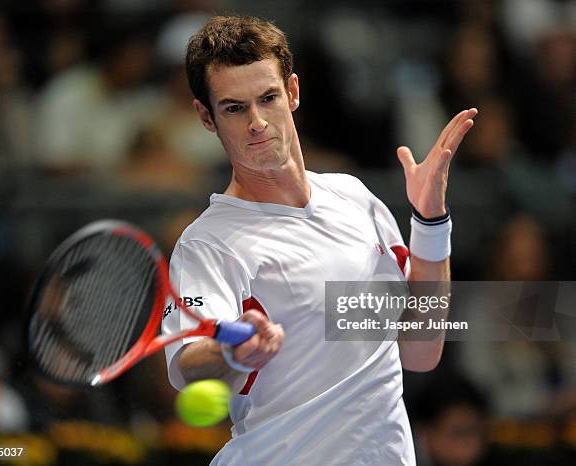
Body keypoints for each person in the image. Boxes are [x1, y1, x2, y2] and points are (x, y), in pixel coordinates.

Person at [162, 15, 477, 465]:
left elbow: (421, 349)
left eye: (267, 98)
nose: (256, 122)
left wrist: (430, 223)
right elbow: (189, 363)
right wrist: (230, 348)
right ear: (206, 117)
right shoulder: (208, 245)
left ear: (292, 92)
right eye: (234, 107)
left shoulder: (354, 198)